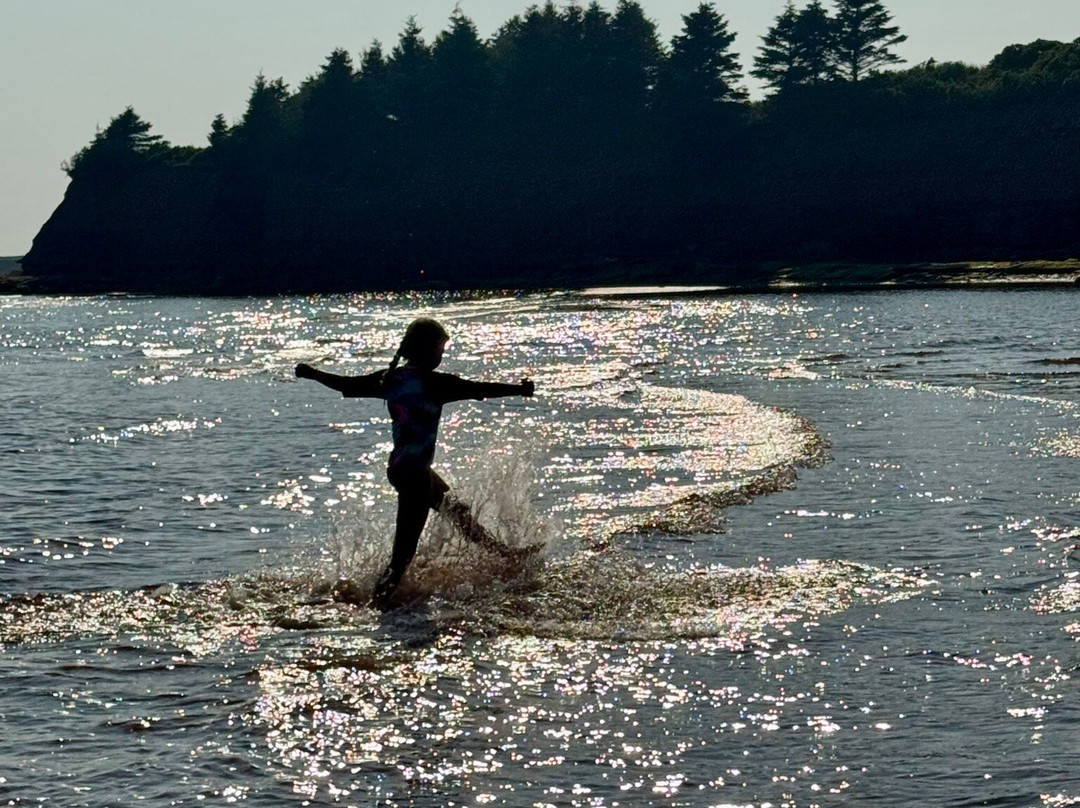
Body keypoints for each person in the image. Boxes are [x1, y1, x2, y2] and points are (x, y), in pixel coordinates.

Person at [295, 317, 537, 608]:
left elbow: (345, 384)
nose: (441, 355)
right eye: (440, 348)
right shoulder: (435, 383)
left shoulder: (390, 379)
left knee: (458, 512)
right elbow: (478, 388)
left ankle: (504, 554)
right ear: (428, 350)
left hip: (401, 469)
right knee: (403, 555)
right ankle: (376, 605)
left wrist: (312, 373)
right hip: (415, 477)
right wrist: (519, 390)